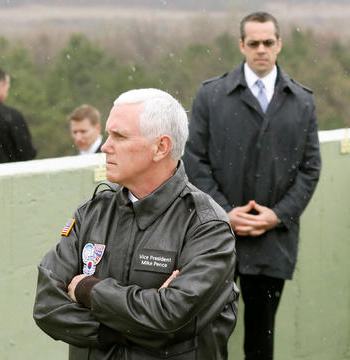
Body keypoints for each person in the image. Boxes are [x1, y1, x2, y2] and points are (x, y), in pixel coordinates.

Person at [34, 89, 239, 359]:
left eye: (119, 136)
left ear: (161, 147)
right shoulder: (91, 213)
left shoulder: (206, 226)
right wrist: (119, 331)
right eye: (108, 135)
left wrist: (88, 289)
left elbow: (171, 315)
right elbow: (47, 306)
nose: (106, 146)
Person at [182, 12, 321, 360]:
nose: (261, 49)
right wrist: (225, 213)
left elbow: (310, 167)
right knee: (210, 334)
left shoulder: (301, 100)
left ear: (279, 44)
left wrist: (277, 215)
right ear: (241, 45)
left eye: (268, 42)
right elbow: (194, 160)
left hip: (273, 239)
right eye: (254, 43)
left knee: (261, 338)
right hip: (216, 237)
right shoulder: (212, 96)